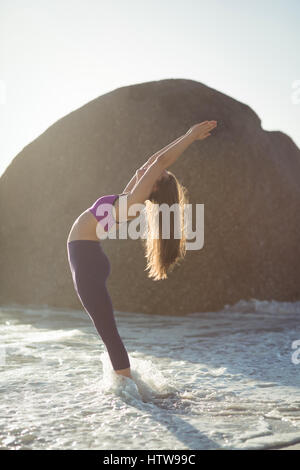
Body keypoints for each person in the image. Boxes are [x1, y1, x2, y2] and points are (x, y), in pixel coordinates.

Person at [67, 120, 217, 380]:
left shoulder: (134, 201)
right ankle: (129, 390)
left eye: (156, 174)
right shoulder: (128, 199)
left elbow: (160, 160)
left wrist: (189, 136)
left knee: (108, 334)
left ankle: (130, 394)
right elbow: (153, 161)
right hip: (87, 258)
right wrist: (181, 140)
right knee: (107, 332)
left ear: (154, 187)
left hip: (87, 261)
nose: (148, 169)